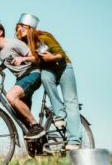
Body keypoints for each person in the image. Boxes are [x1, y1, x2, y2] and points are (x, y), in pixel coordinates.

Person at [15, 13, 82, 150]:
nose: (19, 30)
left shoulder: (43, 37)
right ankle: (59, 115)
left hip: (63, 67)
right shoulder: (24, 45)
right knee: (45, 77)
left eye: (23, 27)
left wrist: (52, 57)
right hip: (49, 70)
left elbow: (60, 54)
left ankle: (74, 140)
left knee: (70, 101)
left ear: (30, 28)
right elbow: (33, 59)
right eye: (18, 27)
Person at [0, 20, 45, 139]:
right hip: (21, 78)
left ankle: (36, 126)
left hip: (32, 74)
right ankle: (38, 143)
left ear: (0, 32)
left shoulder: (14, 44)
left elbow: (36, 58)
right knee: (21, 117)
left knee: (11, 97)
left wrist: (23, 59)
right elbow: (7, 60)